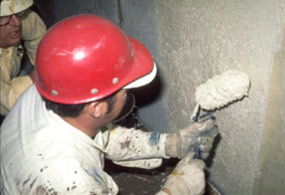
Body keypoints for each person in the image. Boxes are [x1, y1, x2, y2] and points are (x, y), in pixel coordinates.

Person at [0, 14, 218, 195]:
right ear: (97, 108)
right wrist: (177, 190)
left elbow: (101, 137)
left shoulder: (50, 91)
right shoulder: (72, 183)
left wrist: (169, 144)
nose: (129, 92)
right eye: (126, 89)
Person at [0, 0, 46, 119]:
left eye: (17, 13)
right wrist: (39, 74)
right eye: (3, 18)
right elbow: (9, 102)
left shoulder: (17, 20)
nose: (17, 23)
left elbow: (36, 32)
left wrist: (42, 63)